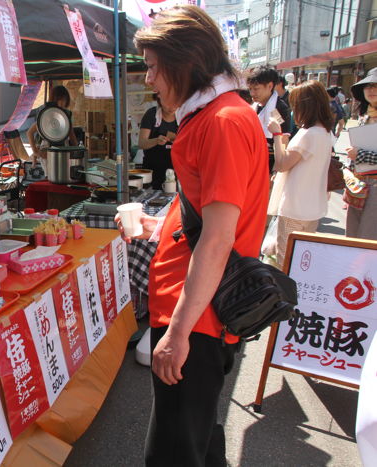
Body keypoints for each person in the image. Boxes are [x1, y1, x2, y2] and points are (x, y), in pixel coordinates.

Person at [121, 6, 269, 466]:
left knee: (175, 451)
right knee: (197, 436)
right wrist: (158, 226)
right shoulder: (213, 115)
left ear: (183, 60)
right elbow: (206, 215)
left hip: (199, 318)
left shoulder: (223, 121)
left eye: (151, 66)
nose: (148, 79)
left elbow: (219, 236)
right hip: (196, 308)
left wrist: (179, 332)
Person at [267, 81, 333, 267]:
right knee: (301, 260)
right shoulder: (325, 132)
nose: (294, 110)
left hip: (294, 208)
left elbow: (281, 164)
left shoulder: (308, 134)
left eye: (296, 105)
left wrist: (277, 136)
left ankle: (284, 296)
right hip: (313, 209)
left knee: (284, 260)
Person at [344, 67, 377, 240]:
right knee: (352, 236)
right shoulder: (364, 117)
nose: (371, 90)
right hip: (358, 186)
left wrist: (361, 154)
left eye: (375, 85)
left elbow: (360, 153)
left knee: (368, 240)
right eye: (367, 86)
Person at [247, 66, 291, 172]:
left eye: (256, 89)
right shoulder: (255, 106)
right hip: (253, 159)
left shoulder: (278, 108)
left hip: (269, 162)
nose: (252, 93)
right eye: (250, 89)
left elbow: (284, 138)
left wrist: (277, 169)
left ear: (270, 86)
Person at [27, 85, 77, 165]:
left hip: (63, 149)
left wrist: (77, 150)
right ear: (53, 100)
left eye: (64, 100)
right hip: (46, 151)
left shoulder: (67, 114)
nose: (61, 103)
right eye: (59, 100)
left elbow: (71, 134)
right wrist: (36, 152)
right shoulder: (48, 114)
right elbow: (30, 132)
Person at [138, 94, 178, 189]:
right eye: (167, 104)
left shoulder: (183, 116)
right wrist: (156, 140)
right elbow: (141, 143)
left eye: (174, 103)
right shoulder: (151, 115)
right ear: (159, 102)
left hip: (177, 168)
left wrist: (176, 138)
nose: (171, 107)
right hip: (153, 168)